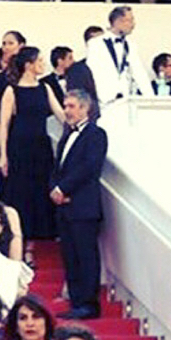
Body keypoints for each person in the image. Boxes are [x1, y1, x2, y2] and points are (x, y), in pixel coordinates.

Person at [51, 90, 108, 320]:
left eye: (72, 106)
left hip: (83, 206)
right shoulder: (66, 136)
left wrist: (63, 189)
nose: (67, 110)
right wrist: (54, 189)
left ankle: (89, 304)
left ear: (85, 108)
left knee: (86, 255)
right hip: (64, 208)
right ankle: (76, 302)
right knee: (70, 256)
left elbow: (90, 167)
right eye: (65, 106)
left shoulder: (96, 134)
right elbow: (58, 168)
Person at [0, 47, 65, 242]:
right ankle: (22, 239)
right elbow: (4, 125)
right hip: (19, 148)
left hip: (41, 146)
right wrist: (3, 155)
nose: (43, 64)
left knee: (41, 189)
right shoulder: (12, 90)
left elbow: (61, 115)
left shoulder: (45, 88)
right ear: (29, 65)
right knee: (21, 193)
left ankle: (43, 237)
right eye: (40, 61)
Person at [85, 7, 150, 104]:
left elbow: (139, 73)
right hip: (104, 101)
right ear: (118, 22)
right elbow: (92, 72)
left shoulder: (131, 45)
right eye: (130, 20)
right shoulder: (96, 44)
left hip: (126, 100)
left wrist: (150, 99)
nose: (133, 24)